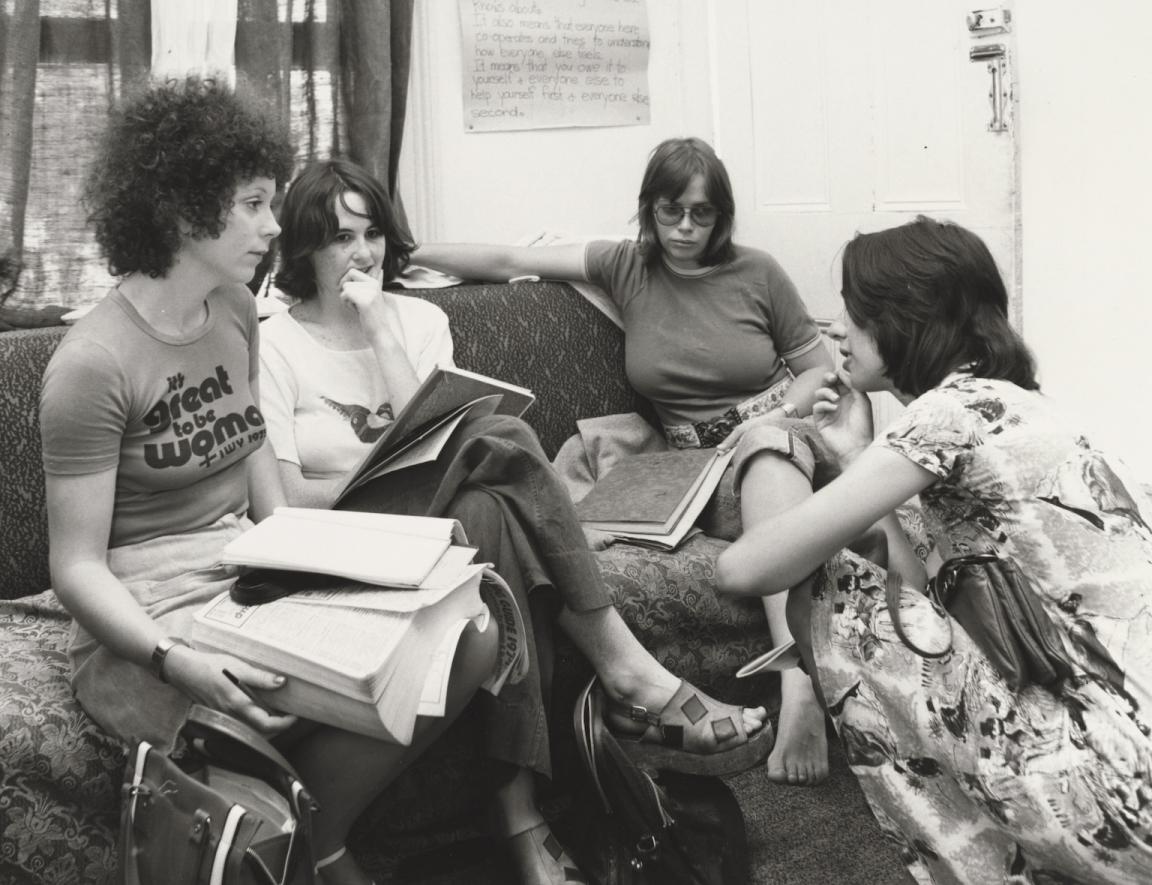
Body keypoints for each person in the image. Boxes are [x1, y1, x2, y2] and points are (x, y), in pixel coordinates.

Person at [258, 157, 773, 885]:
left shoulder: (419, 321)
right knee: (501, 444)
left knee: (488, 508)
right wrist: (372, 470)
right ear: (304, 247)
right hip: (345, 535)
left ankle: (519, 813)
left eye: (372, 233)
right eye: (341, 237)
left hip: (445, 527)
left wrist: (379, 328)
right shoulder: (273, 344)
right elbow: (285, 502)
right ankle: (618, 674)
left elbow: (430, 446)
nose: (364, 253)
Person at [39, 78, 500, 885]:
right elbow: (75, 566)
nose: (275, 225)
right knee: (261, 706)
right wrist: (174, 657)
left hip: (240, 570)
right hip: (144, 609)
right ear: (186, 213)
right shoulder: (92, 363)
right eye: (253, 203)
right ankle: (298, 842)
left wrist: (322, 567)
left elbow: (263, 478)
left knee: (470, 632)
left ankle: (315, 836)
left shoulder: (235, 311)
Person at [717, 215, 1152, 883]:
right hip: (1129, 768)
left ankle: (987, 866)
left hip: (1110, 788)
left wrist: (782, 446)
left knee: (826, 583)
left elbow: (746, 566)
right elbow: (926, 589)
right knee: (904, 541)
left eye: (855, 311)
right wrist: (859, 455)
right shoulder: (1011, 403)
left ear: (906, 319)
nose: (837, 328)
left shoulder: (946, 416)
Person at [411, 136, 837, 785]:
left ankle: (794, 676)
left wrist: (770, 415)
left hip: (767, 446)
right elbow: (506, 257)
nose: (687, 229)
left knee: (768, 451)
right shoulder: (628, 266)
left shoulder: (758, 273)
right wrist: (396, 250)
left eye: (703, 215)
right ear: (649, 211)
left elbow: (816, 369)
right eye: (672, 213)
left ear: (722, 216)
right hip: (683, 466)